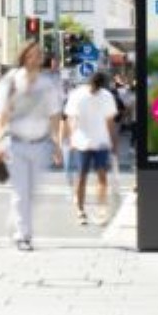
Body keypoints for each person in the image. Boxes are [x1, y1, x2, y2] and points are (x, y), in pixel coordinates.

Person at [0, 42, 64, 252]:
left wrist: (57, 144)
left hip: (40, 144)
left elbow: (55, 116)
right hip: (15, 143)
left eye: (37, 55)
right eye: (30, 55)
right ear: (23, 57)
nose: (34, 59)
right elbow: (0, 116)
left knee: (31, 193)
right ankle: (23, 236)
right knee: (21, 191)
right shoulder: (11, 81)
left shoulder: (47, 84)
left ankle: (17, 223)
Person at [63, 72, 119, 226]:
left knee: (102, 177)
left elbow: (110, 121)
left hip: (101, 142)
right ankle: (80, 210)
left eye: (98, 88)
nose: (95, 90)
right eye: (94, 87)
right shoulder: (77, 95)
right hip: (82, 143)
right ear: (89, 83)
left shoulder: (106, 96)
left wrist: (113, 142)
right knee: (82, 176)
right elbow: (71, 118)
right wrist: (72, 138)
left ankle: (101, 209)